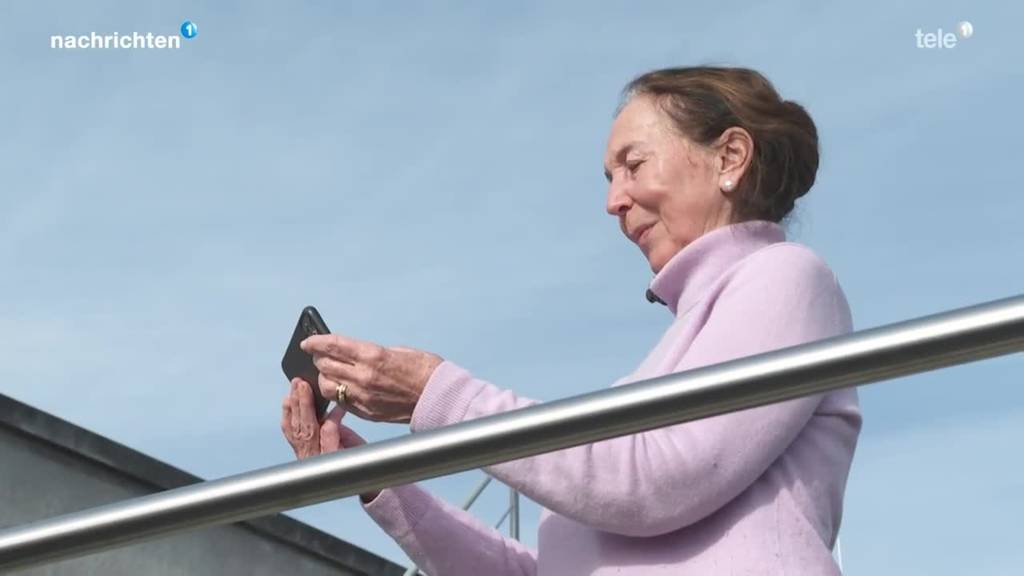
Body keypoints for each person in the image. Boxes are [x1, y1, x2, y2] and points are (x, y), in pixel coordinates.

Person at [281, 66, 860, 575]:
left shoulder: (787, 275)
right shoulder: (666, 362)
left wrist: (437, 394)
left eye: (633, 165)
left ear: (729, 157)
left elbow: (659, 482)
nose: (614, 200)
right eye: (610, 179)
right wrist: (376, 478)